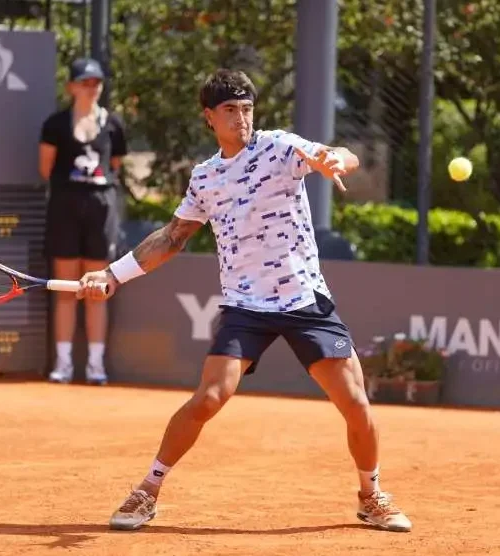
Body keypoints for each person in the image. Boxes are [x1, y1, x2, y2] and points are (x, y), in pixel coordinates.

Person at [76, 68, 412, 533]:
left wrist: (336, 161)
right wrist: (114, 275)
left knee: (356, 402)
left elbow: (338, 153)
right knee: (209, 397)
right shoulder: (206, 177)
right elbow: (173, 237)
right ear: (209, 118)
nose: (242, 119)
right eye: (230, 110)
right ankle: (147, 491)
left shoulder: (279, 147)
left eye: (247, 109)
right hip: (246, 305)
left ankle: (370, 495)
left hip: (304, 298)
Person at [38, 57, 128, 385]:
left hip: (101, 208)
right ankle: (62, 365)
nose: (92, 88)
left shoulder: (114, 125)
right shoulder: (55, 125)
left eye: (97, 82)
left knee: (96, 288)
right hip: (64, 206)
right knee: (65, 288)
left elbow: (115, 163)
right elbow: (45, 169)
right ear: (71, 87)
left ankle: (95, 366)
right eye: (85, 82)